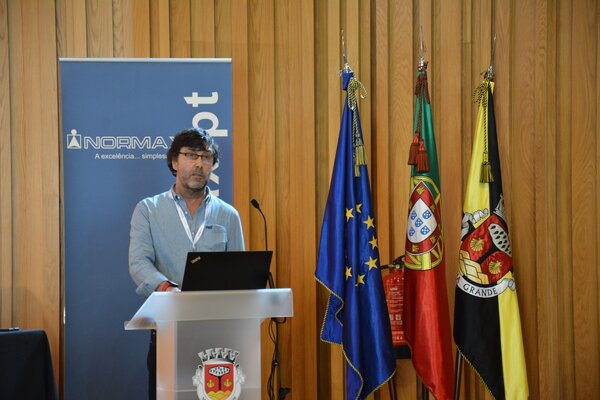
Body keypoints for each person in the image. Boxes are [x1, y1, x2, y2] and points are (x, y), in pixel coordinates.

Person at [128, 127, 245, 399]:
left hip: (217, 336)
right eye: (191, 155)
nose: (199, 164)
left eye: (206, 157)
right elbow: (139, 262)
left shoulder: (229, 215)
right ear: (174, 161)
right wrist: (168, 290)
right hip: (168, 329)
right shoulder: (148, 210)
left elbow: (239, 272)